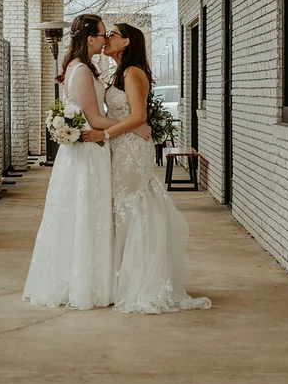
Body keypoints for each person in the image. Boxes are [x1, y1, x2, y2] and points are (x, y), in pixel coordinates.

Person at [22, 14, 150, 309]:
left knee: (89, 214)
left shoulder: (85, 68)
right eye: (103, 34)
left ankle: (94, 280)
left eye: (110, 35)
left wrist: (130, 122)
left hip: (93, 148)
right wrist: (132, 123)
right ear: (89, 38)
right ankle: (83, 285)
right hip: (89, 150)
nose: (105, 39)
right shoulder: (80, 71)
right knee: (86, 215)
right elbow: (93, 119)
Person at [83, 23, 211, 314]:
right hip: (121, 145)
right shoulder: (120, 72)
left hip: (130, 149)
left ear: (127, 42)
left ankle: (141, 283)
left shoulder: (133, 72)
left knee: (132, 208)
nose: (107, 39)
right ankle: (121, 280)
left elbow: (138, 116)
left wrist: (103, 134)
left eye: (112, 34)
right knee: (121, 210)